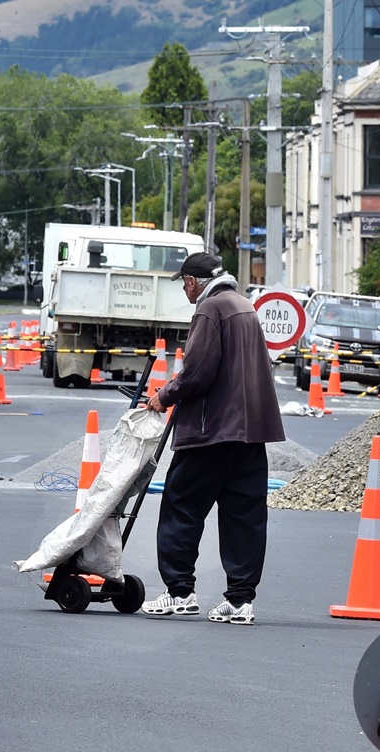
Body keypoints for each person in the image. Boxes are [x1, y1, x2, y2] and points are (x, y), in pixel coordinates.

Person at [140, 252, 285, 626]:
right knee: (244, 516)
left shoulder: (210, 310)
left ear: (192, 281)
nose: (185, 290)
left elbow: (197, 372)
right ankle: (240, 601)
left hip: (212, 430)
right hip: (250, 432)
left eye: (185, 283)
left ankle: (179, 592)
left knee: (181, 508)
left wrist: (163, 396)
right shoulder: (243, 306)